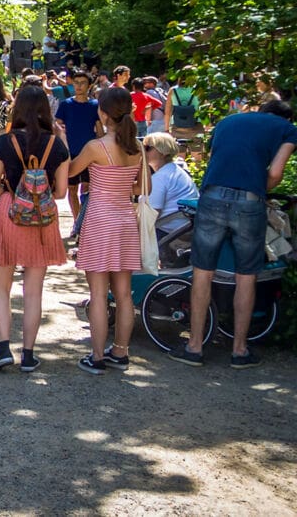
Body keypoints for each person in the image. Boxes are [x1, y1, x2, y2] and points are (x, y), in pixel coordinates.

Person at [170, 100, 297, 370]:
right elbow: (275, 173)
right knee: (246, 276)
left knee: (202, 271)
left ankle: (194, 346)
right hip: (250, 203)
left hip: (212, 195)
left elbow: (210, 155)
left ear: (261, 111)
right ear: (288, 117)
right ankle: (239, 350)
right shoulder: (287, 130)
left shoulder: (229, 121)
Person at [0, 84, 71, 373]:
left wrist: (13, 187)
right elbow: (60, 194)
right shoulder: (56, 145)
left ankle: (3, 348)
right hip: (42, 219)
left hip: (10, 214)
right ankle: (29, 354)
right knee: (33, 291)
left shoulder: (3, 143)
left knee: (1, 286)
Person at [67, 87, 145, 375]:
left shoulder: (96, 147)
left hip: (100, 219)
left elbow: (72, 171)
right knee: (124, 294)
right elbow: (140, 187)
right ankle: (121, 351)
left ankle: (97, 354)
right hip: (125, 219)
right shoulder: (137, 147)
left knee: (98, 293)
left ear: (102, 112)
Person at [54, 70, 101, 240]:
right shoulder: (66, 104)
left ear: (89, 86)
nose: (79, 86)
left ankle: (85, 225)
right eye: (76, 82)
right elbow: (58, 126)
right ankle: (77, 223)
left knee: (86, 190)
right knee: (72, 189)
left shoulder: (95, 105)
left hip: (90, 154)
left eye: (83, 83)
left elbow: (100, 129)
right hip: (70, 154)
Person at [143, 132, 198, 225]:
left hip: (169, 231)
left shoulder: (161, 177)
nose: (143, 151)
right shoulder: (175, 170)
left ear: (163, 152)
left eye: (147, 148)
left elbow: (151, 215)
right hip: (184, 227)